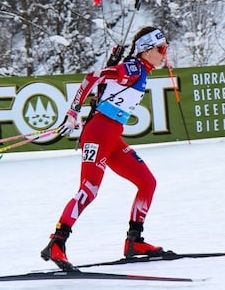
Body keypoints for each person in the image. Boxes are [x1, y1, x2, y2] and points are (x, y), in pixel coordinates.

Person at [41, 26, 170, 270]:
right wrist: (72, 111)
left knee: (147, 182)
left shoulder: (139, 69)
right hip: (99, 134)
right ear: (146, 50)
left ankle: (134, 241)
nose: (165, 53)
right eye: (161, 48)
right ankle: (57, 242)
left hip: (112, 138)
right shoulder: (133, 68)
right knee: (89, 189)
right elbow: (92, 77)